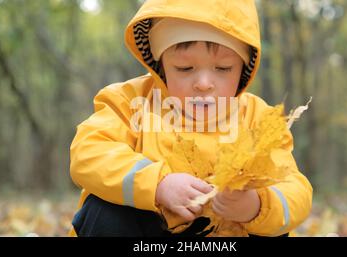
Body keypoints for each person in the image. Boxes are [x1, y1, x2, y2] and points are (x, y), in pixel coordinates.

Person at [69, 0, 312, 237]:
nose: (204, 84)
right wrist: (157, 184)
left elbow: (295, 188)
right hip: (152, 231)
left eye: (223, 68)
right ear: (161, 64)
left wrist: (257, 206)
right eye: (185, 69)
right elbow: (89, 151)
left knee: (272, 229)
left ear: (244, 69)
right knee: (103, 209)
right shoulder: (130, 103)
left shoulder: (257, 119)